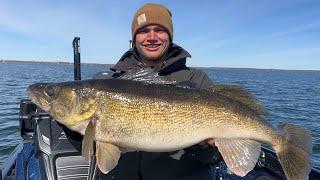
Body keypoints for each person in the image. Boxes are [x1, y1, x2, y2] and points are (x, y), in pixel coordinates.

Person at [94, 3, 219, 180]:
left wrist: (207, 148)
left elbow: (213, 158)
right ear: (134, 38)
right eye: (144, 31)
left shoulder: (197, 81)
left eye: (160, 30)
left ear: (169, 36)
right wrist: (71, 126)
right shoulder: (107, 83)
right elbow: (89, 149)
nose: (152, 37)